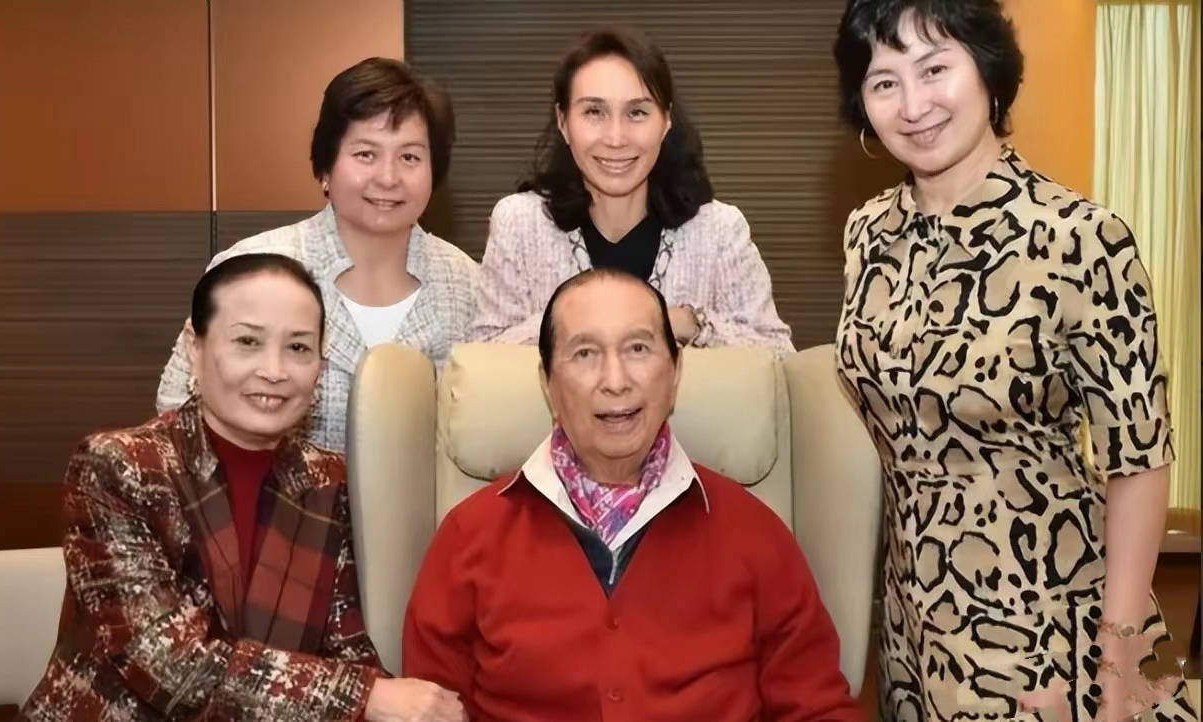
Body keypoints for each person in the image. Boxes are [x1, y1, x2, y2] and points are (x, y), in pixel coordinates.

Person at [832, 1, 1195, 719]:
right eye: (884, 82)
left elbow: (1138, 460)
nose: (914, 105)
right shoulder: (866, 232)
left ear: (987, 70)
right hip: (910, 622)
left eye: (935, 69)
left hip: (1043, 622)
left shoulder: (1082, 240)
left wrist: (1117, 664)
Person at [22, 254, 464, 722]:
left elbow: (346, 643)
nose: (274, 370)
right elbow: (168, 665)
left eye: (298, 347)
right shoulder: (120, 465)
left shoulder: (327, 479)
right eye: (248, 342)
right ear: (195, 348)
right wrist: (364, 697)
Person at [404, 268, 857, 721]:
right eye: (585, 353)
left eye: (638, 348)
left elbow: (818, 708)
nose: (615, 380)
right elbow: (429, 708)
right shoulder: (470, 534)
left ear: (675, 371)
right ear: (548, 383)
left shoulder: (753, 532)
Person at [158, 57, 479, 453]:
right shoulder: (254, 266)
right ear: (326, 166)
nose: (388, 177)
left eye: (409, 157)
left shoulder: (467, 284)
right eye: (366, 154)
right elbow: (175, 407)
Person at [468, 27, 793, 354]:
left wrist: (688, 323)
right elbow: (482, 356)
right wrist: (587, 321)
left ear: (665, 121)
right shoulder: (520, 223)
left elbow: (778, 355)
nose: (616, 138)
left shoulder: (719, 230)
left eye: (637, 113)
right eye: (594, 112)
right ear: (563, 122)